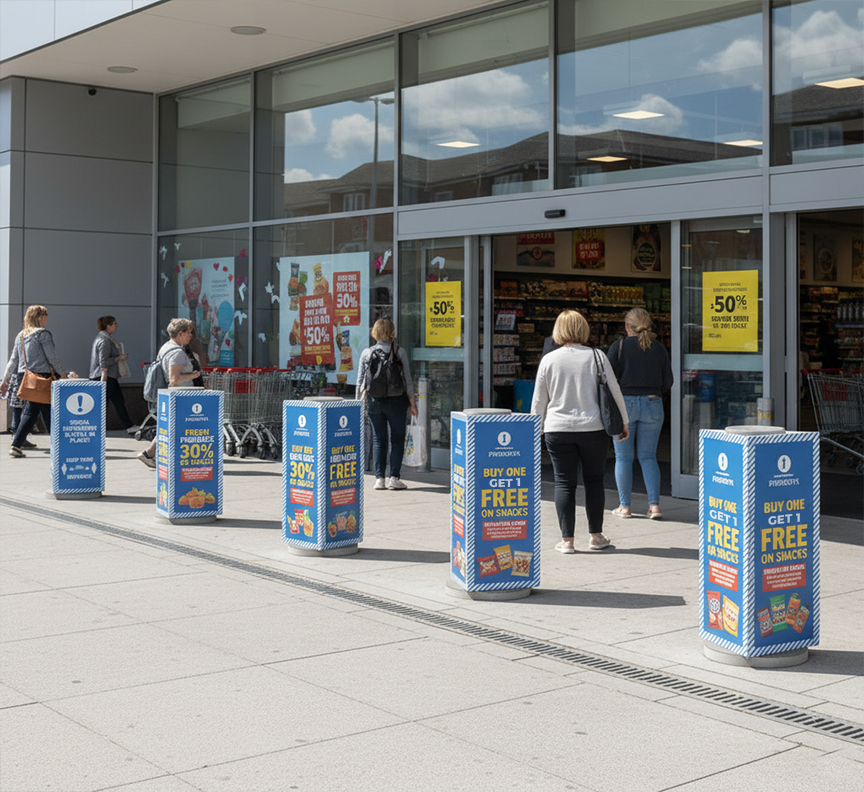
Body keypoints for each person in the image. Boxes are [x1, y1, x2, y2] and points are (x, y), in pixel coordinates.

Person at [531, 310, 628, 552]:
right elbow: (614, 391)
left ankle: (567, 541)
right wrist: (623, 422)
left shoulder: (549, 360)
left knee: (564, 483)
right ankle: (596, 536)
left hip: (557, 428)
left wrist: (534, 428)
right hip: (592, 428)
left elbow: (539, 400)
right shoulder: (597, 356)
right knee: (594, 481)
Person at [607, 308, 673, 520]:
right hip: (653, 405)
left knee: (623, 458)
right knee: (648, 457)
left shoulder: (618, 347)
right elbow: (668, 382)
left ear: (627, 326)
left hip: (624, 405)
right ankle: (654, 506)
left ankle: (625, 507)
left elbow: (607, 379)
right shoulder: (660, 349)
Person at [356, 318, 418, 490]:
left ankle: (379, 479)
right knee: (397, 439)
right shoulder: (399, 352)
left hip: (375, 402)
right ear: (392, 332)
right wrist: (412, 403)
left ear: (374, 332)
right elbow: (407, 380)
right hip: (397, 401)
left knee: (379, 440)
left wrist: (358, 404)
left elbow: (360, 382)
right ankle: (394, 478)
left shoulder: (367, 353)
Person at [1, 305, 67, 457]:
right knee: (46, 411)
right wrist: (62, 373)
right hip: (42, 378)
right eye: (45, 315)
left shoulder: (21, 335)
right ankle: (59, 447)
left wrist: (5, 379)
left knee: (33, 411)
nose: (47, 318)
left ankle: (16, 445)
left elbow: (13, 360)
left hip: (25, 378)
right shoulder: (43, 334)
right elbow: (52, 357)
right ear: (39, 317)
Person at [137, 318, 199, 468]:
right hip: (180, 395)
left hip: (171, 395)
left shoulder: (166, 347)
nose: (190, 336)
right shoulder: (177, 353)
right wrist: (194, 375)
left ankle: (149, 453)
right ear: (180, 333)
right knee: (175, 427)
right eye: (188, 333)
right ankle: (151, 453)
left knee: (170, 426)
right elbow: (173, 379)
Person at [89, 315, 138, 435]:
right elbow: (104, 362)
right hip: (104, 377)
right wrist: (119, 358)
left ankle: (129, 426)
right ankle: (94, 427)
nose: (116, 326)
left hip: (109, 376)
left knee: (119, 402)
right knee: (103, 404)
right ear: (108, 326)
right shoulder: (104, 341)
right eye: (114, 324)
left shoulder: (104, 338)